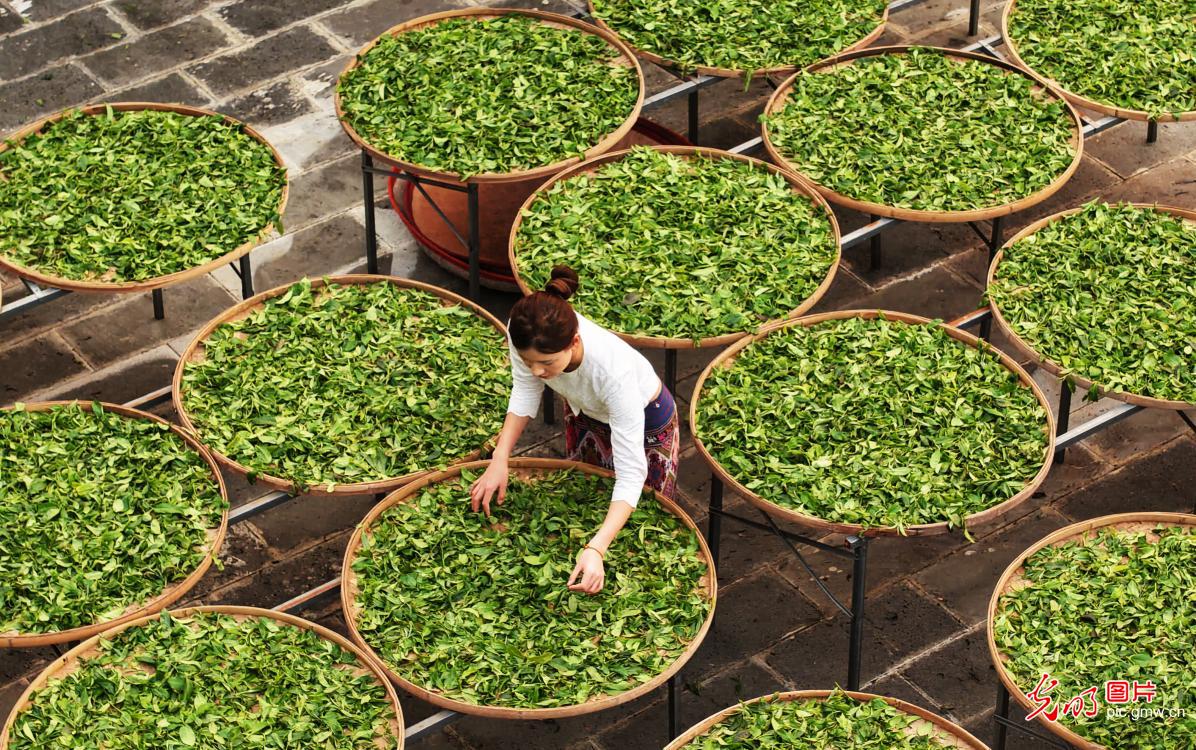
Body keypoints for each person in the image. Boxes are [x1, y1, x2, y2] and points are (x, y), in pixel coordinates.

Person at [469, 265, 680, 595]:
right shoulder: (521, 330)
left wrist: (597, 548)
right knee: (586, 496)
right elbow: (525, 389)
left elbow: (631, 474)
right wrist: (500, 457)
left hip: (646, 421)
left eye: (546, 363)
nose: (537, 371)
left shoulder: (613, 374)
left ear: (575, 341)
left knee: (640, 521)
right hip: (586, 409)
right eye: (529, 361)